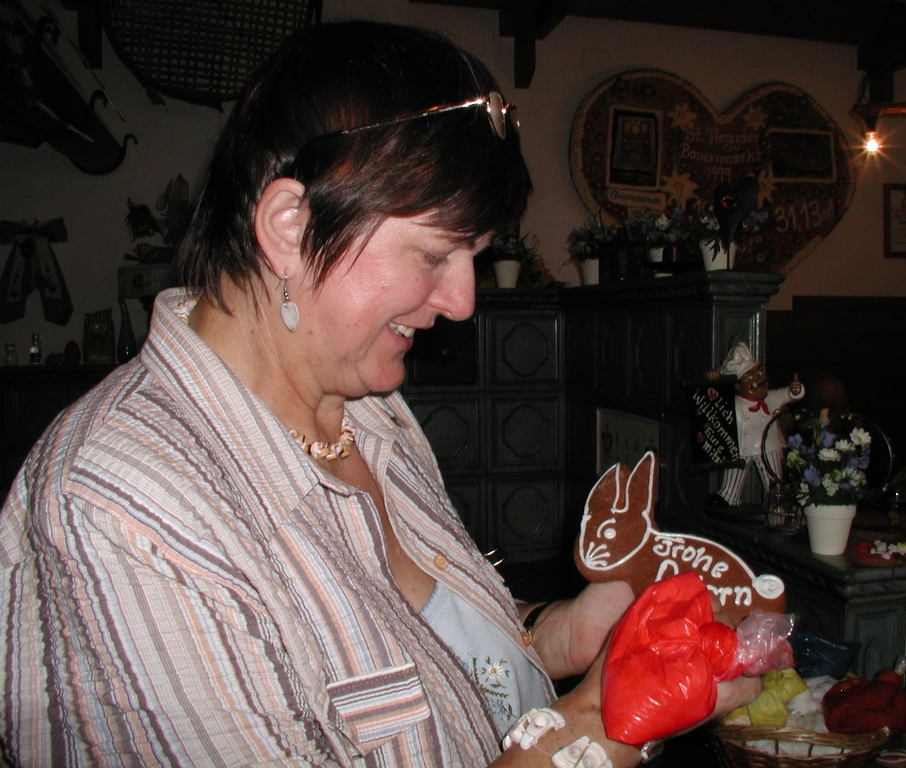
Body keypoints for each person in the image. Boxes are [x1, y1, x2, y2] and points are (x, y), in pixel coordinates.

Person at [0, 21, 759, 767]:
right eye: (434, 253)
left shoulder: (365, 407)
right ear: (291, 228)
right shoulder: (123, 510)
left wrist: (554, 635)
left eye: (474, 256)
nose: (462, 301)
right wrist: (601, 724)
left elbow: (419, 640)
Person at [706, 341, 804, 507]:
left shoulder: (771, 398)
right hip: (741, 447)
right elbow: (712, 402)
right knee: (733, 476)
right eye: (749, 377)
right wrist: (712, 379)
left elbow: (789, 394)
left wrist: (796, 390)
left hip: (768, 447)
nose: (758, 380)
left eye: (759, 373)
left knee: (773, 481)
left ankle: (776, 504)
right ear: (738, 385)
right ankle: (729, 497)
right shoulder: (733, 402)